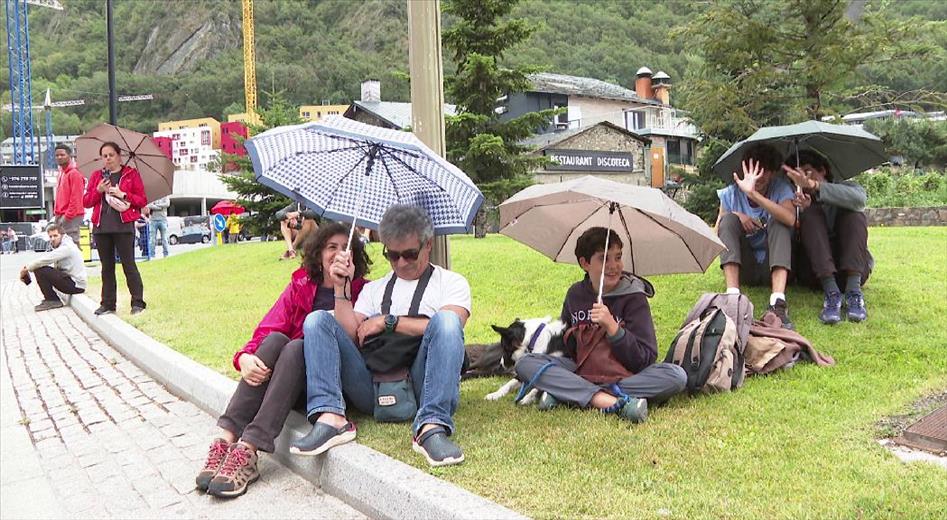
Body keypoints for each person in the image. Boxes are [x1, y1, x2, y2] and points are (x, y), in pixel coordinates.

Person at [195, 222, 370, 498]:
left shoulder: (364, 292)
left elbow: (357, 344)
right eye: (330, 247)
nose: (337, 254)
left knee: (297, 346)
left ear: (354, 257)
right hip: (289, 376)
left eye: (344, 248)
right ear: (318, 253)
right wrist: (244, 358)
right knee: (277, 341)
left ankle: (249, 449)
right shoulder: (301, 285)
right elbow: (268, 329)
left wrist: (342, 289)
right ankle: (226, 438)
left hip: (329, 387)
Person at [292, 205, 471, 467]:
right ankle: (331, 417)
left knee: (444, 320)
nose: (401, 263)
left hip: (423, 385)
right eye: (393, 255)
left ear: (428, 244)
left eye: (410, 254)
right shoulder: (375, 289)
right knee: (317, 320)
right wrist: (342, 290)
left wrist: (388, 322)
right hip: (371, 387)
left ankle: (431, 425)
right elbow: (351, 334)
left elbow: (452, 325)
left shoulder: (451, 283)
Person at [514, 227, 687, 423]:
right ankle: (607, 400)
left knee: (676, 376)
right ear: (584, 263)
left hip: (624, 372)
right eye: (604, 259)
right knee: (525, 363)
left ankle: (568, 394)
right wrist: (577, 335)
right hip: (582, 369)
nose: (614, 266)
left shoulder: (634, 297)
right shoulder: (575, 295)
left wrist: (614, 329)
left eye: (618, 257)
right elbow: (566, 350)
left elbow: (645, 359)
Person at [783, 150, 871, 324]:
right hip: (815, 274)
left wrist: (816, 187)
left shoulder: (847, 187)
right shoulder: (795, 199)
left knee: (854, 215)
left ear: (822, 170)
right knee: (810, 215)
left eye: (807, 172)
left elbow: (860, 200)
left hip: (851, 269)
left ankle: (854, 293)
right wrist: (801, 213)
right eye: (797, 176)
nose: (802, 179)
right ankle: (832, 295)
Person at [715, 144, 797, 328]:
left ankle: (777, 302)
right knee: (727, 220)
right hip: (747, 266)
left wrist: (753, 194)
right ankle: (732, 296)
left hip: (774, 264)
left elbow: (791, 219)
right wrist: (736, 215)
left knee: (779, 220)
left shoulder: (781, 188)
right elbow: (717, 234)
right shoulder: (731, 193)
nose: (758, 176)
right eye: (754, 170)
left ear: (772, 172)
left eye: (764, 171)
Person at [82, 141, 147, 315]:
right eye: (105, 156)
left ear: (119, 156)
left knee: (129, 265)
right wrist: (98, 190)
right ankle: (108, 304)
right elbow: (86, 202)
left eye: (111, 154)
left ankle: (137, 303)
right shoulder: (97, 176)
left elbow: (141, 201)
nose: (108, 158)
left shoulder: (131, 175)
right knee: (107, 267)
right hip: (101, 227)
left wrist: (123, 194)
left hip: (124, 226)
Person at [20, 223, 86, 312]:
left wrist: (26, 268)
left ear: (62, 235)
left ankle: (52, 300)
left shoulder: (66, 247)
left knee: (40, 269)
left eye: (55, 236)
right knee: (41, 268)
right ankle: (51, 299)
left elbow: (46, 259)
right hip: (71, 281)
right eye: (50, 236)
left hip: (76, 285)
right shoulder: (62, 245)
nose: (52, 239)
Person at [53, 144, 86, 244]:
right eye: (57, 155)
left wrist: (67, 216)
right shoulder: (62, 172)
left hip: (71, 215)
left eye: (62, 155)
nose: (59, 157)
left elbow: (76, 198)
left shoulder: (74, 173)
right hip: (61, 214)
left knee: (71, 244)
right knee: (63, 244)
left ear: (69, 155)